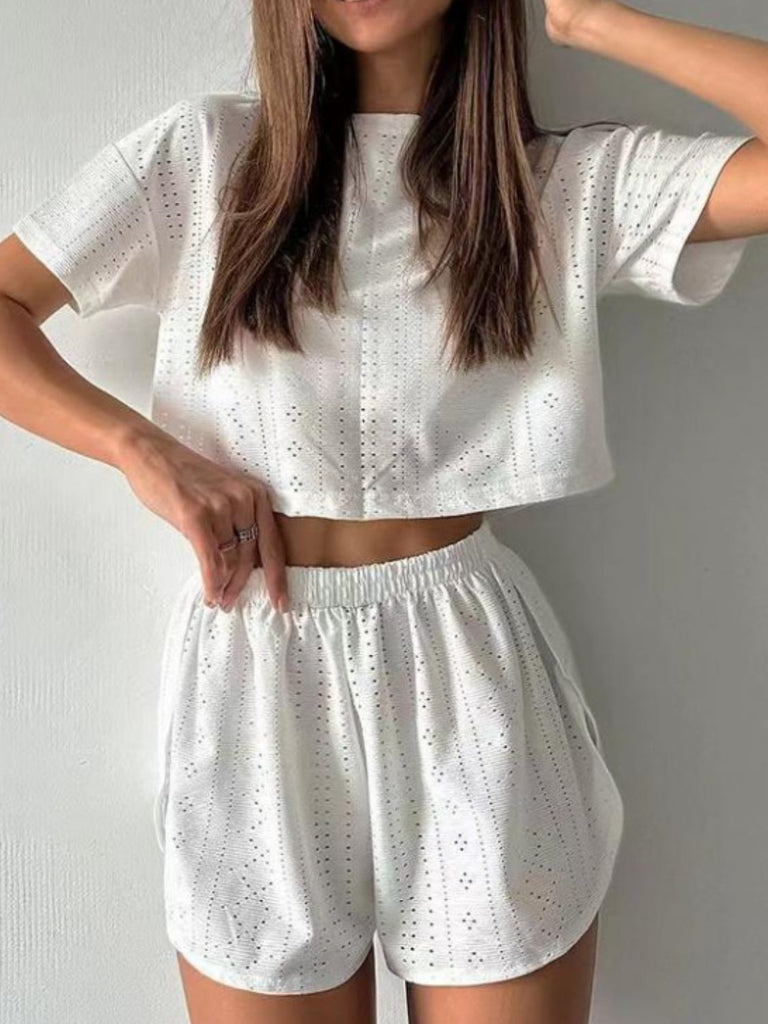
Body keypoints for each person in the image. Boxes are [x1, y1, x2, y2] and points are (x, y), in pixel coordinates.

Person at [1, 0, 766, 1021]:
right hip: (254, 672)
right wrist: (143, 451)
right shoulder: (203, 157)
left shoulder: (556, 184)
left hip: (468, 670)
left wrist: (587, 19)